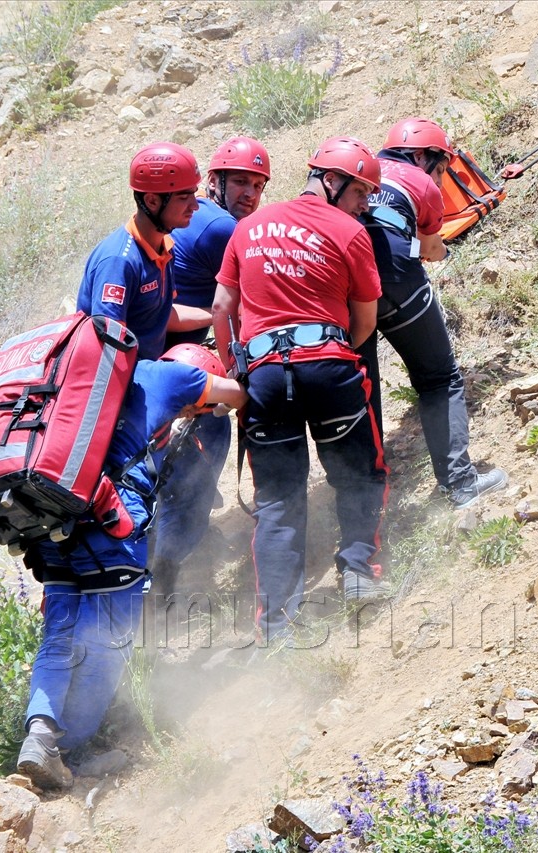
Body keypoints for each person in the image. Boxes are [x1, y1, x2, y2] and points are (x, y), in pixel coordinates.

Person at [16, 345, 247, 789]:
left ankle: (39, 733)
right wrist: (217, 403)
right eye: (193, 409)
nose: (189, 415)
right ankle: (68, 750)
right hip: (108, 525)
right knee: (107, 642)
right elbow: (237, 394)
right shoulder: (177, 378)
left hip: (53, 516)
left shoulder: (108, 382)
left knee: (60, 633)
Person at [212, 136, 388, 642]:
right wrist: (330, 357)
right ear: (331, 181)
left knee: (277, 501)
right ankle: (358, 570)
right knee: (359, 473)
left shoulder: (247, 229)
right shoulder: (350, 233)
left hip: (263, 374)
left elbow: (222, 309)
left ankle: (277, 628)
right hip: (328, 363)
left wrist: (236, 370)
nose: (364, 205)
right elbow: (365, 322)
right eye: (360, 193)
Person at [360, 117, 506, 509]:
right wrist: (442, 252)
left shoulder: (358, 172)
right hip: (398, 280)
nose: (440, 180)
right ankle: (460, 484)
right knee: (439, 378)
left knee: (363, 387)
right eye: (440, 169)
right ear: (422, 156)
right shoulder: (421, 183)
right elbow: (429, 248)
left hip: (346, 288)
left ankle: (368, 496)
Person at [151, 137, 271, 587]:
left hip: (153, 362)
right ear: (215, 181)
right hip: (172, 367)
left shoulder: (197, 217)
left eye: (258, 186)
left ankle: (169, 551)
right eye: (240, 182)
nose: (250, 194)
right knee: (211, 433)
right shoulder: (222, 228)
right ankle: (167, 568)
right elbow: (250, 303)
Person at [76, 142, 201, 362]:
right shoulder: (119, 262)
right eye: (184, 197)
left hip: (144, 366)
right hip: (121, 374)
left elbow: (163, 316)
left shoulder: (165, 248)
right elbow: (108, 347)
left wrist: (219, 313)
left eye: (193, 195)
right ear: (152, 201)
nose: (195, 205)